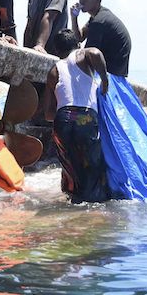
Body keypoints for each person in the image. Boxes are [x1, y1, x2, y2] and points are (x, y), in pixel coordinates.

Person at [44, 29, 111, 204]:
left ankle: (74, 201)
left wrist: (66, 117)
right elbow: (95, 52)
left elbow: (48, 113)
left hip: (62, 119)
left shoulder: (53, 72)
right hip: (86, 117)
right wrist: (104, 79)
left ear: (57, 51)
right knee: (93, 165)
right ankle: (93, 207)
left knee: (71, 166)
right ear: (78, 45)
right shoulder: (82, 55)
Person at [71, 0, 132, 78]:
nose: (81, 1)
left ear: (97, 0)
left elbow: (87, 55)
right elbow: (79, 37)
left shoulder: (99, 21)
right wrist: (74, 18)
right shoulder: (97, 17)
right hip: (117, 72)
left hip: (110, 74)